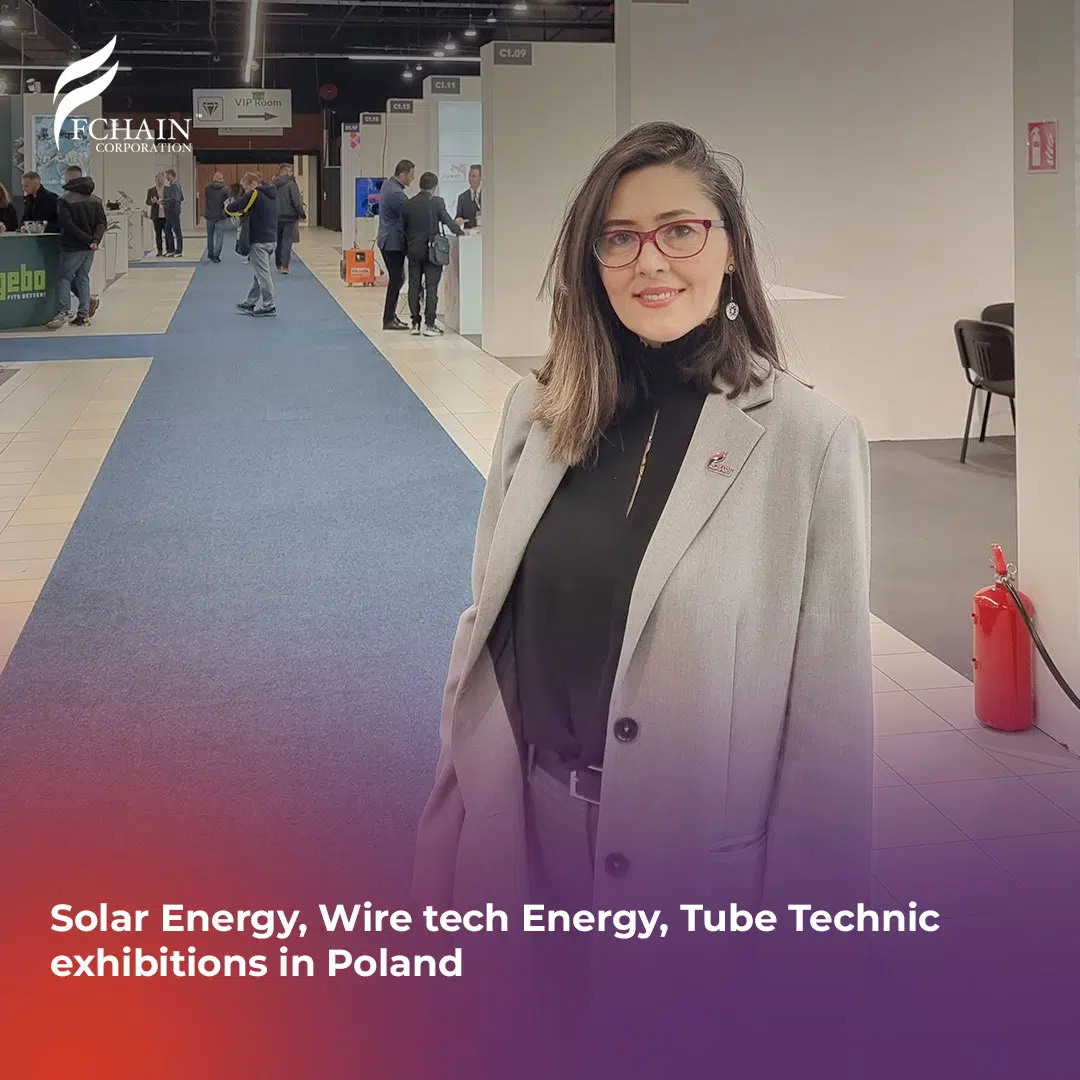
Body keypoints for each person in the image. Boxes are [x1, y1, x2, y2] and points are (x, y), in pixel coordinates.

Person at [412, 121, 873, 1054]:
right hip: (522, 841)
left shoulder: (809, 441)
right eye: (618, 237)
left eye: (680, 230)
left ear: (730, 247)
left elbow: (828, 730)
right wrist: (452, 821)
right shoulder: (540, 411)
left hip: (692, 871)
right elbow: (488, 632)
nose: (648, 261)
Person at [402, 171, 462, 336]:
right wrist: (460, 233)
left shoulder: (409, 204)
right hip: (432, 252)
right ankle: (429, 324)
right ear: (434, 187)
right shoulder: (437, 202)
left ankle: (415, 323)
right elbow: (448, 222)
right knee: (431, 287)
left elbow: (403, 228)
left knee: (414, 286)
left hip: (414, 251)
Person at [46, 166, 107, 329]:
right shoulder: (96, 199)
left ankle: (64, 310)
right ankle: (83, 315)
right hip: (90, 247)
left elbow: (67, 224)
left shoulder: (64, 199)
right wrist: (94, 240)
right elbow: (102, 223)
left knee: (64, 277)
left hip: (72, 246)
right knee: (83, 277)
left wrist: (88, 240)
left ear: (69, 179)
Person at [226, 171, 279, 317]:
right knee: (259, 273)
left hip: (258, 240)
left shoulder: (254, 194)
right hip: (271, 239)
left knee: (263, 275)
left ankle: (269, 305)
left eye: (245, 187)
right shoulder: (272, 195)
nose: (245, 191)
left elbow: (232, 207)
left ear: (253, 184)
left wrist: (228, 208)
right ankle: (250, 302)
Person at [376, 159, 414, 331]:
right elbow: (409, 214)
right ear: (403, 174)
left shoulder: (388, 185)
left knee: (398, 278)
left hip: (386, 239)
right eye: (411, 175)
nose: (412, 179)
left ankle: (390, 316)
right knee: (397, 279)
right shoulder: (397, 194)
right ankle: (389, 318)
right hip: (392, 242)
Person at [272, 163, 306, 273]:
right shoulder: (291, 184)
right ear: (286, 171)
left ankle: (278, 264)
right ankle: (285, 266)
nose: (292, 173)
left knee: (279, 240)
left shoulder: (273, 185)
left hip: (276, 215)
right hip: (290, 216)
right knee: (287, 240)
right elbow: (296, 202)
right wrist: (302, 214)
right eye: (291, 171)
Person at [203, 171, 229, 263]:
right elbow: (227, 201)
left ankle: (210, 254)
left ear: (214, 178)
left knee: (210, 236)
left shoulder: (207, 188)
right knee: (219, 236)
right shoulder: (225, 189)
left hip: (209, 215)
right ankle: (216, 256)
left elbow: (206, 196)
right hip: (220, 216)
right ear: (221, 179)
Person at [454, 163, 482, 229]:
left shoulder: (487, 196)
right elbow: (458, 217)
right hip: (469, 233)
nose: (470, 178)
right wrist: (458, 220)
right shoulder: (462, 198)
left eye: (474, 176)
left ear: (481, 178)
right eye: (469, 176)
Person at [146, 172, 168, 255]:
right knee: (158, 234)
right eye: (158, 179)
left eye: (161, 179)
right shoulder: (151, 190)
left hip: (166, 215)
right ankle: (159, 250)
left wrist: (163, 202)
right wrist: (152, 202)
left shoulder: (168, 189)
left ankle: (168, 250)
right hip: (156, 215)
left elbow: (170, 200)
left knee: (167, 233)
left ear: (164, 180)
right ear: (155, 180)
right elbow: (147, 202)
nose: (160, 181)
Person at [163, 168, 183, 257]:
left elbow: (174, 199)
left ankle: (179, 250)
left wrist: (163, 201)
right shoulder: (175, 184)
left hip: (173, 210)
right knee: (167, 229)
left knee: (177, 230)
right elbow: (181, 197)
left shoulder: (174, 185)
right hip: (171, 210)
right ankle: (171, 249)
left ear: (171, 175)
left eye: (167, 175)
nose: (166, 177)